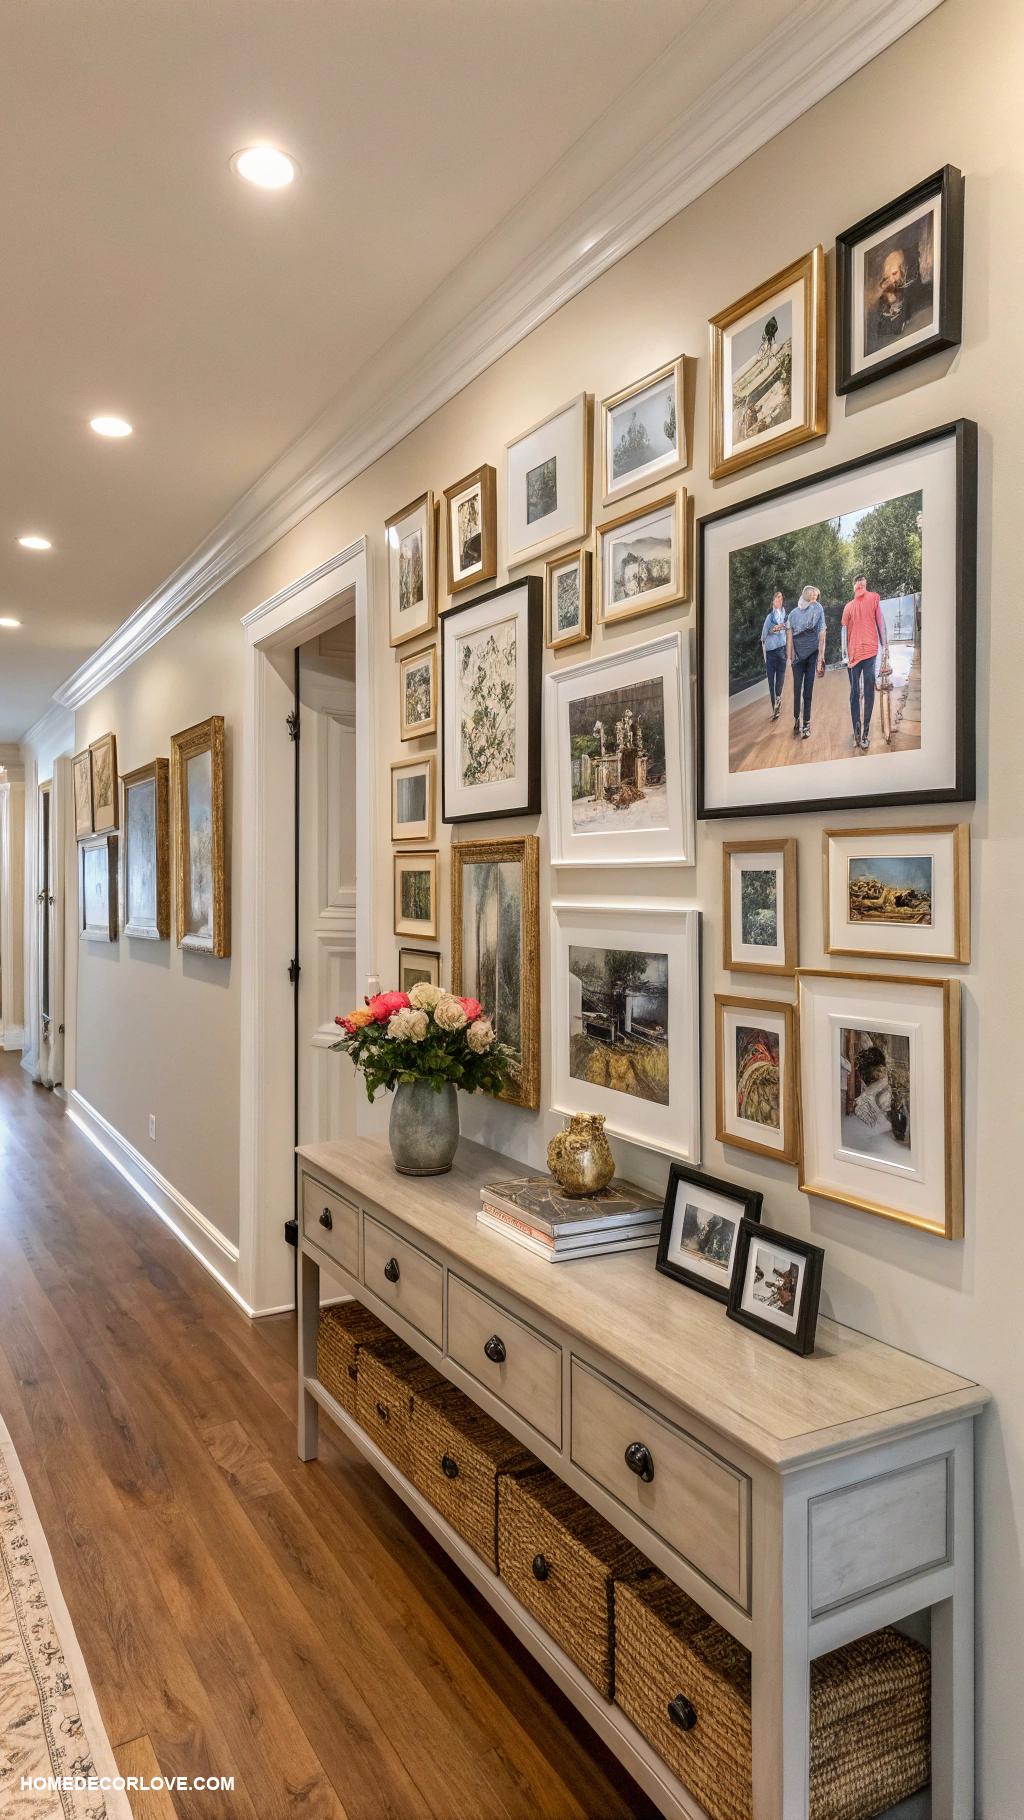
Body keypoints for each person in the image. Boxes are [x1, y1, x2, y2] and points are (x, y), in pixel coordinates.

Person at [841, 575, 888, 749]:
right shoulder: (873, 598)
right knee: (867, 691)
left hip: (856, 655)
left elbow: (843, 632)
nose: (861, 585)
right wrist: (886, 648)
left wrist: (845, 654)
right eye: (861, 583)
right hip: (868, 652)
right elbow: (881, 624)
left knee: (855, 692)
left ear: (855, 586)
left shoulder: (849, 606)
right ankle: (864, 732)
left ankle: (858, 731)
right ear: (862, 584)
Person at [786, 585, 826, 740]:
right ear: (805, 594)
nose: (815, 598)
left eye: (816, 595)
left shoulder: (818, 609)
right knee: (797, 690)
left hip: (812, 655)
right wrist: (789, 661)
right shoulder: (793, 614)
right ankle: (797, 719)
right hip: (797, 657)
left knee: (807, 691)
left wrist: (820, 658)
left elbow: (822, 633)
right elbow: (789, 639)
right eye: (813, 595)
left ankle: (807, 723)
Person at [759, 590, 788, 721]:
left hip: (782, 650)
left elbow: (788, 628)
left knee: (781, 676)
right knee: (771, 680)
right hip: (770, 652)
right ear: (773, 602)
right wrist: (775, 628)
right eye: (777, 599)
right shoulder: (769, 617)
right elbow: (765, 634)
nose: (779, 601)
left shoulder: (785, 614)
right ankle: (774, 708)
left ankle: (778, 698)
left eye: (781, 599)